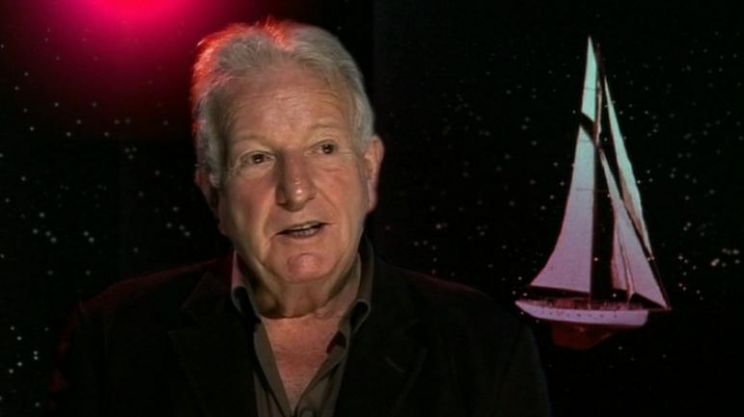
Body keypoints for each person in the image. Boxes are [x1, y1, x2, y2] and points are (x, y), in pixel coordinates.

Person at [48, 20, 551, 417]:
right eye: (258, 158)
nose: (296, 190)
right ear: (213, 192)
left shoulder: (485, 347)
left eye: (324, 148)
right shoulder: (113, 341)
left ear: (369, 170)